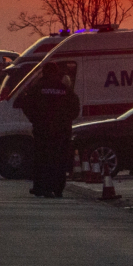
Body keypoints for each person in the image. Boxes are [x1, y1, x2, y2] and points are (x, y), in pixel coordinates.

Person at [14, 62, 79, 198]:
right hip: (62, 131)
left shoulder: (38, 88)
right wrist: (65, 121)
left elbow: (26, 105)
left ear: (44, 72)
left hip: (42, 130)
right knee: (60, 160)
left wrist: (35, 119)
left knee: (42, 159)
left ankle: (42, 187)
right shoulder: (65, 89)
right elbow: (75, 109)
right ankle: (58, 188)